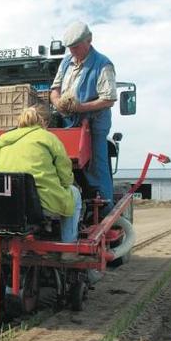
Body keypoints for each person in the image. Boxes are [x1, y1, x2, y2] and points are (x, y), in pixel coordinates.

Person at [50, 21, 117, 213]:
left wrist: (81, 107)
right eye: (70, 48)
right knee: (65, 161)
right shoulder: (65, 62)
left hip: (95, 121)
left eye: (76, 47)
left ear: (89, 41)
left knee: (96, 163)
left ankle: (104, 208)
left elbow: (108, 99)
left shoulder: (103, 65)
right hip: (69, 119)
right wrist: (57, 102)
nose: (72, 51)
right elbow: (55, 89)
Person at [0, 106, 83, 249]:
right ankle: (69, 246)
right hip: (40, 203)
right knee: (74, 193)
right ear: (45, 122)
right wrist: (65, 183)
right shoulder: (48, 138)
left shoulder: (3, 141)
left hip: (7, 204)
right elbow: (65, 173)